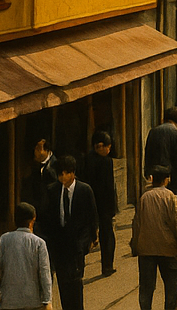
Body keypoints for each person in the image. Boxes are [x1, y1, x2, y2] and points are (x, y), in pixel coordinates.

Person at [40, 155, 96, 310]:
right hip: (60, 243)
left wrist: (91, 239)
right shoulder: (53, 190)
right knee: (63, 283)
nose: (62, 177)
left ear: (72, 173)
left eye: (65, 173)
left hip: (78, 242)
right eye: (60, 174)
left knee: (76, 281)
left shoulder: (84, 190)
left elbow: (92, 216)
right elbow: (48, 216)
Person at [130, 167, 177, 310]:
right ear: (166, 179)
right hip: (168, 248)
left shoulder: (144, 198)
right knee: (171, 284)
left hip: (146, 250)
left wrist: (135, 246)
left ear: (153, 179)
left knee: (146, 287)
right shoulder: (170, 197)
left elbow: (136, 224)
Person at [0, 205, 52, 310]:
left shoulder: (4, 239)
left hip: (9, 300)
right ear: (32, 220)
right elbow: (44, 273)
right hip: (33, 301)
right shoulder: (39, 243)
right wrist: (47, 300)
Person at [81, 133, 118, 277]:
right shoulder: (106, 162)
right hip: (103, 205)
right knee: (107, 235)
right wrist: (112, 208)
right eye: (107, 147)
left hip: (89, 202)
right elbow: (108, 187)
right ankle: (107, 266)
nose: (109, 150)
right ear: (100, 146)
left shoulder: (87, 159)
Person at [143, 109, 177, 195]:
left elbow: (148, 153)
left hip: (154, 175)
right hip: (169, 177)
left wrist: (147, 172)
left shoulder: (153, 131)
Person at [24, 139, 59, 205]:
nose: (35, 152)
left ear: (47, 151)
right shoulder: (35, 166)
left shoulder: (55, 166)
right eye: (35, 148)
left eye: (39, 149)